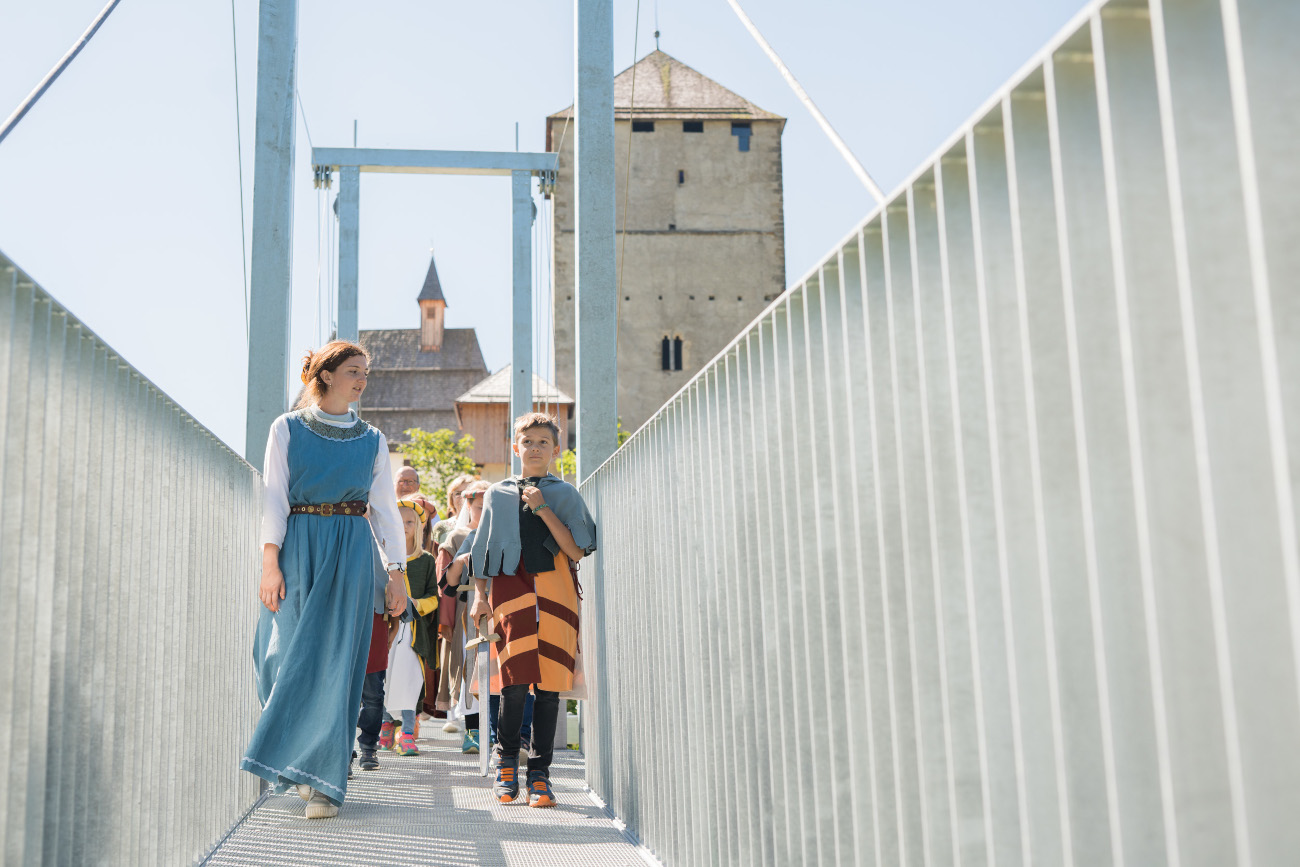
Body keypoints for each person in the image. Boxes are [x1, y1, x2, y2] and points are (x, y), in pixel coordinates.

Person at [243, 340, 408, 820]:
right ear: (327, 375)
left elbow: (385, 511)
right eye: (353, 370)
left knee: (339, 663)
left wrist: (395, 574)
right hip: (298, 546)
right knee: (277, 655)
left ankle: (324, 784)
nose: (361, 380)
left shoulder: (372, 438)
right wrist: (270, 562)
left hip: (352, 550)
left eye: (365, 372)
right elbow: (274, 496)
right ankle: (295, 759)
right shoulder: (287, 427)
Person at [470, 413, 596, 808]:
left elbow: (576, 550)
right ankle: (507, 766)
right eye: (528, 442)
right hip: (511, 592)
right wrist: (479, 596)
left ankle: (540, 776)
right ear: (516, 448)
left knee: (549, 688)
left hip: (557, 593)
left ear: (556, 449)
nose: (535, 448)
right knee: (513, 683)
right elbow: (482, 555)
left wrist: (542, 508)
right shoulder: (496, 493)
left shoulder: (566, 494)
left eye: (544, 441)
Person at [381, 500, 438, 756]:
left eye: (410, 522)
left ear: (419, 527)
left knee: (409, 680)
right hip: (386, 631)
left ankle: (405, 733)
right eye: (398, 520)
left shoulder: (426, 561)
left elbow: (434, 597)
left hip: (413, 632)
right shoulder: (382, 557)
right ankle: (384, 725)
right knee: (382, 678)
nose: (404, 526)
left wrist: (416, 603)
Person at [439, 481, 490, 752]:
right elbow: (447, 582)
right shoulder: (460, 537)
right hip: (468, 613)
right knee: (471, 668)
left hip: (501, 609)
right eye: (480, 507)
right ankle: (473, 730)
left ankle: (498, 730)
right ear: (468, 507)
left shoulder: (505, 533)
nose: (486, 512)